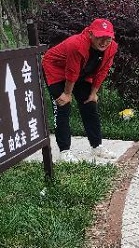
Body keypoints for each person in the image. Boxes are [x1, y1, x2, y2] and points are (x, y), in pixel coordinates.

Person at [41, 18, 119, 162]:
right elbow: (71, 72)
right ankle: (65, 152)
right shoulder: (76, 44)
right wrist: (67, 94)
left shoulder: (112, 47)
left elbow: (103, 71)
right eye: (100, 37)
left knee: (90, 104)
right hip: (56, 69)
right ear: (90, 34)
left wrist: (93, 93)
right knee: (63, 106)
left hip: (80, 73)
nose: (104, 42)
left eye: (108, 38)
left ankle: (97, 146)